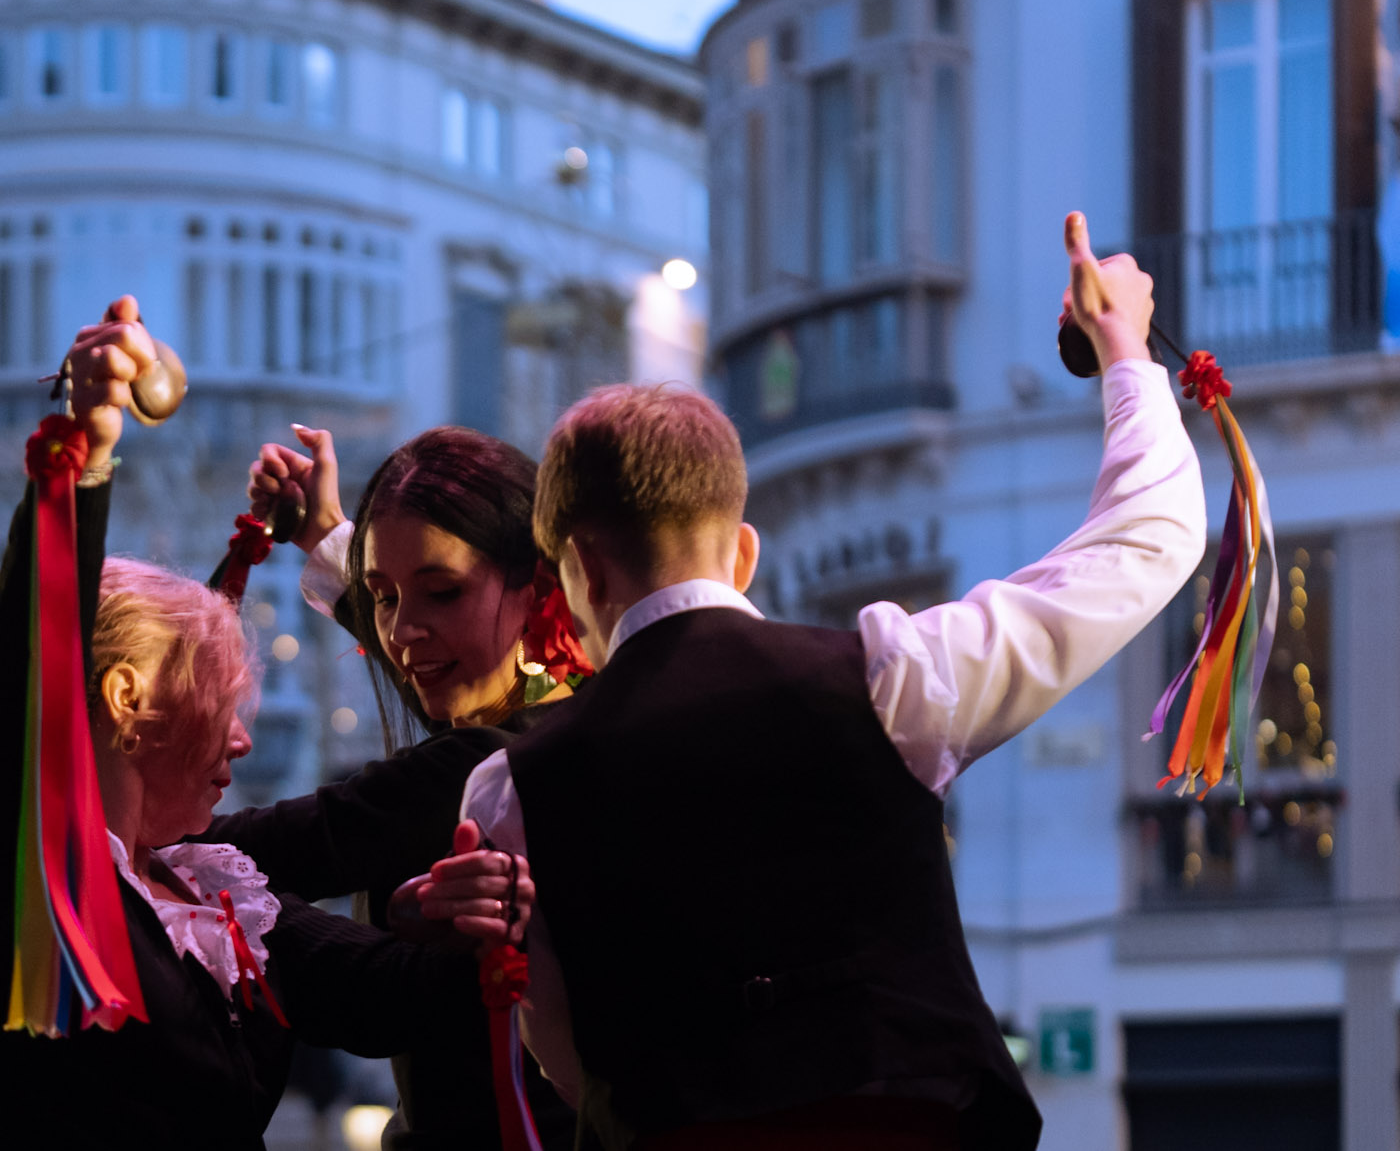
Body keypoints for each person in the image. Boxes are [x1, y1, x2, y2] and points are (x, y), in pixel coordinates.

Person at [455, 214, 1208, 1150]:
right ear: (741, 551)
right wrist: (1126, 349)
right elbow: (1147, 539)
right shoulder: (891, 679)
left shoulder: (515, 788)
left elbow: (564, 1048)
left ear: (580, 568)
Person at [0, 298, 531, 1148]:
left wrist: (466, 916)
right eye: (223, 701)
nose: (243, 739)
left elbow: (398, 993)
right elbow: (33, 666)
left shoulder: (211, 887)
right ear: (127, 698)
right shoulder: (11, 858)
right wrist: (84, 454)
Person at [200, 424, 589, 1150]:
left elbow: (268, 848)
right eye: (381, 596)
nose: (403, 632)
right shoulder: (560, 713)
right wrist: (325, 533)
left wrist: (89, 814)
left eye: (440, 592)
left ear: (537, 583)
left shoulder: (487, 760)